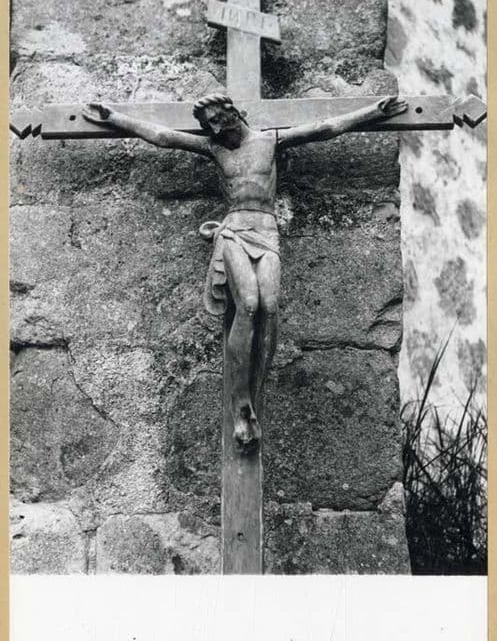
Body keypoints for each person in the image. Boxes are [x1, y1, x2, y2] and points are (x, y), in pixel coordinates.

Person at [83, 92, 407, 451]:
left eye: (219, 119)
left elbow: (326, 128)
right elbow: (163, 137)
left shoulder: (270, 141)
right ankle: (240, 403)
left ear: (234, 112)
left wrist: (372, 113)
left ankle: (255, 390)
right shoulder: (215, 149)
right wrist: (115, 118)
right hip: (234, 231)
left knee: (270, 306)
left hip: (266, 232)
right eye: (210, 125)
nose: (216, 129)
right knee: (249, 304)